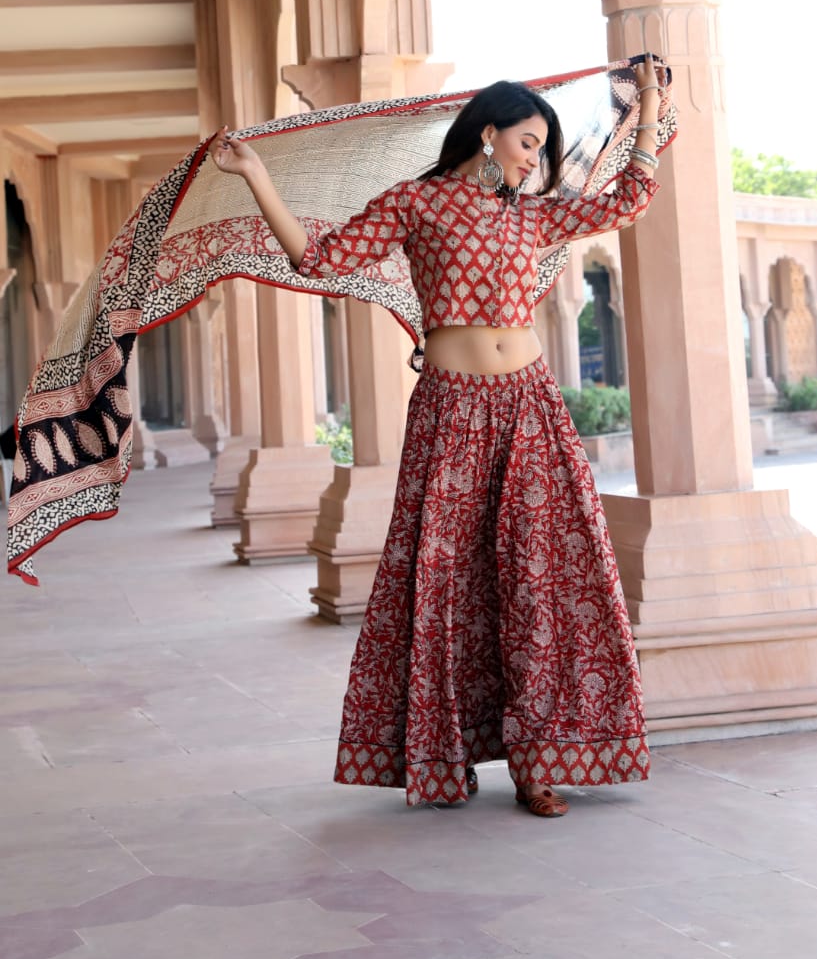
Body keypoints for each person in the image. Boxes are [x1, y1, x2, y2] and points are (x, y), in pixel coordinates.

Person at [211, 55, 665, 818]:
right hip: (450, 410)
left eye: (542, 149)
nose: (534, 161)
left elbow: (631, 198)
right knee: (446, 580)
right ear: (488, 134)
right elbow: (317, 260)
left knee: (539, 575)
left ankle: (538, 761)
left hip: (530, 408)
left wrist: (647, 103)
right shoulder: (415, 204)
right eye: (527, 143)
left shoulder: (535, 216)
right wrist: (255, 174)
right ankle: (447, 753)